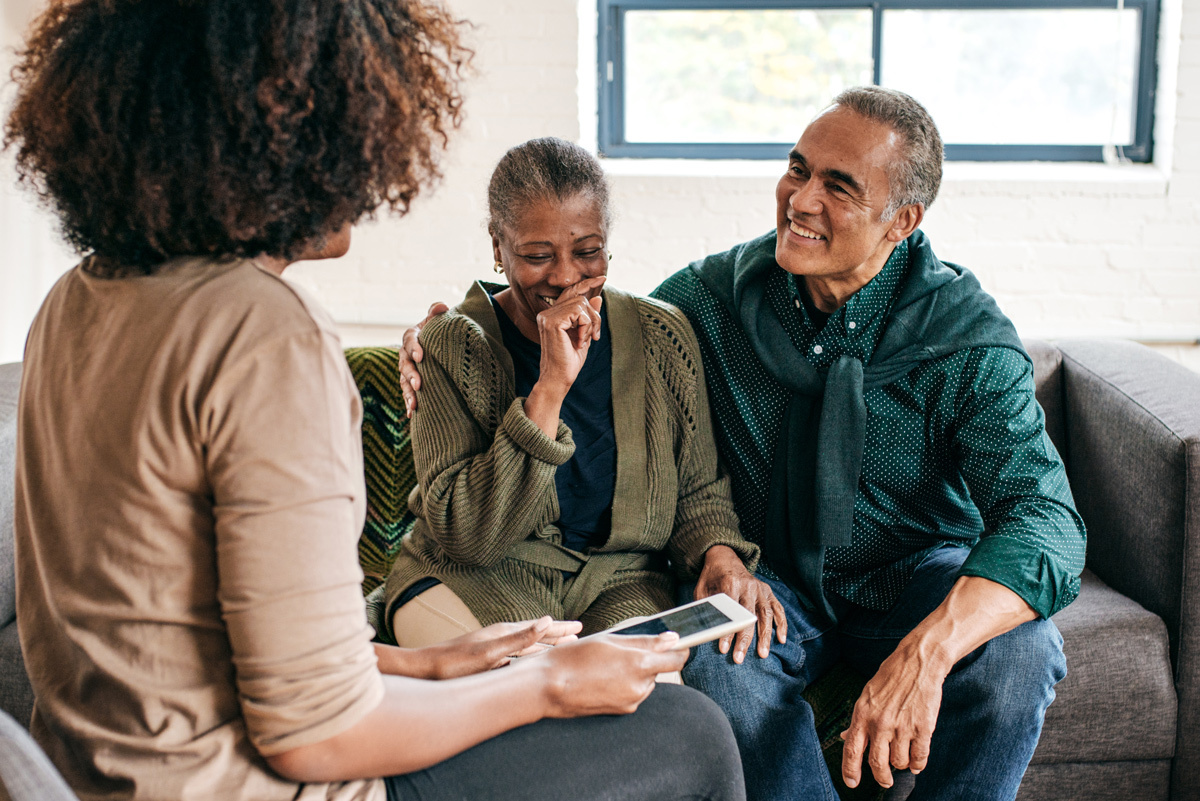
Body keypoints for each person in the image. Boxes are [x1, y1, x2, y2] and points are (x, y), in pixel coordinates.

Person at [4, 2, 748, 800]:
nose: (370, 163)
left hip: (96, 772)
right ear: (271, 147)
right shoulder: (265, 334)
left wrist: (422, 663)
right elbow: (318, 732)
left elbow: (198, 632)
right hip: (248, 785)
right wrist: (548, 682)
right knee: (693, 734)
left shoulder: (74, 299)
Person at [398, 87, 1087, 801]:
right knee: (722, 667)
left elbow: (1048, 523)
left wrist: (930, 648)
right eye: (798, 169)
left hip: (913, 578)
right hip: (770, 580)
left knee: (1021, 654)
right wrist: (447, 332)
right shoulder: (715, 297)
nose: (801, 198)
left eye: (838, 186)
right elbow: (590, 319)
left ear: (902, 220)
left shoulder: (966, 340)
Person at [380, 137, 785, 664]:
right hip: (475, 579)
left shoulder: (662, 335)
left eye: (587, 251)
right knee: (508, 700)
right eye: (536, 256)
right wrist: (550, 387)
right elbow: (467, 537)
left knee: (649, 709)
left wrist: (721, 553)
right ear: (498, 247)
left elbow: (699, 493)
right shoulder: (450, 345)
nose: (566, 275)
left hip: (618, 584)